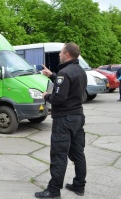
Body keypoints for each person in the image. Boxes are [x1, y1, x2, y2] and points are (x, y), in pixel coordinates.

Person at [35, 43, 87, 198]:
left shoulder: (65, 72)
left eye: (61, 53)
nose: (59, 55)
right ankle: (79, 185)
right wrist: (52, 75)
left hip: (64, 119)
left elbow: (59, 98)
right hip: (78, 117)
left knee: (59, 154)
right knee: (78, 154)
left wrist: (46, 96)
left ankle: (53, 190)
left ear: (67, 55)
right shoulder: (80, 71)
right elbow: (68, 87)